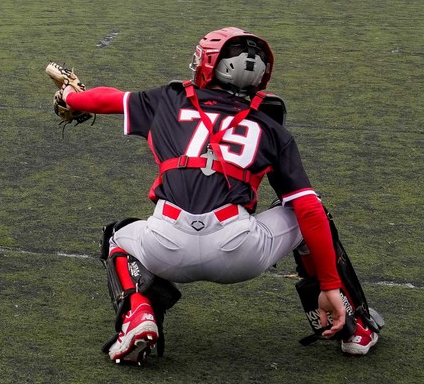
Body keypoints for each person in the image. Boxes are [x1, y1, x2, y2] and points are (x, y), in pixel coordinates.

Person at [50, 28, 381, 365]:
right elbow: (307, 207)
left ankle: (136, 314)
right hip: (238, 250)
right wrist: (327, 283)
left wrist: (70, 97)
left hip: (167, 243)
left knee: (118, 238)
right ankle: (352, 326)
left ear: (209, 64)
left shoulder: (170, 98)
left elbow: (109, 99)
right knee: (309, 212)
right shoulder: (270, 127)